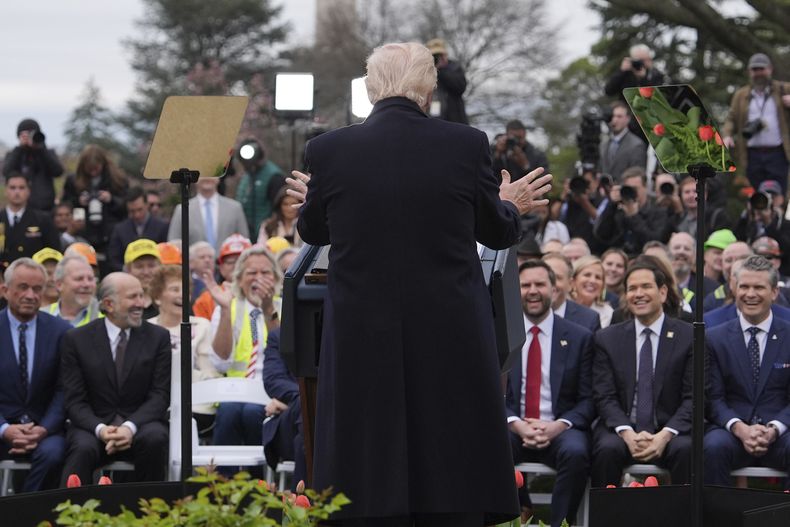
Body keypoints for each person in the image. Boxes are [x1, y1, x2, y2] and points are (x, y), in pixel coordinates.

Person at [288, 41, 552, 526]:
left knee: (366, 456)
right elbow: (497, 231)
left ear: (370, 90)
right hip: (448, 332)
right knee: (449, 451)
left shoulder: (328, 151)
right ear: (429, 90)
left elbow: (313, 232)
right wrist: (510, 201)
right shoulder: (465, 144)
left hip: (362, 336)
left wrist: (315, 199)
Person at [60, 272, 171, 484]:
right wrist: (102, 431)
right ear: (109, 305)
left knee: (155, 439)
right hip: (94, 426)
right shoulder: (76, 340)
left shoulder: (158, 337)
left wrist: (129, 427)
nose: (141, 304)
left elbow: (160, 395)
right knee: (81, 448)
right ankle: (70, 513)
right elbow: (74, 400)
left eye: (141, 295)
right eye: (133, 297)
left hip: (141, 424)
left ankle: (151, 511)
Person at [592, 259, 693, 487]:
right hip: (623, 427)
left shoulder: (688, 337)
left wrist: (664, 435)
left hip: (670, 429)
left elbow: (694, 397)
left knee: (686, 450)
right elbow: (604, 395)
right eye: (632, 289)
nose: (639, 294)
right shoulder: (608, 338)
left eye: (646, 287)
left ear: (663, 292)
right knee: (606, 449)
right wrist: (627, 433)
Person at [507, 260, 593, 527]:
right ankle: (516, 514)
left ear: (554, 290)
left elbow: (589, 399)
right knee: (490, 446)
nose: (533, 291)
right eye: (525, 285)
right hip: (514, 427)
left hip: (560, 429)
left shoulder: (579, 337)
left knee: (578, 453)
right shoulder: (502, 336)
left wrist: (557, 426)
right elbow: (489, 395)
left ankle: (560, 524)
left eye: (540, 284)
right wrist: (517, 424)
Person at [704, 255, 790, 487]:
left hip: (781, 433)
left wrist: (774, 429)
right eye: (744, 286)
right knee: (711, 447)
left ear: (774, 292)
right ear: (735, 289)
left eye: (759, 287)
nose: (750, 294)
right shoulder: (714, 338)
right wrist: (740, 428)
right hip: (731, 431)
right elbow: (713, 397)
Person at [204, 246, 281, 475]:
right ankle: (221, 487)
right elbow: (220, 362)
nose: (259, 278)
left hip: (270, 392)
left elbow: (286, 358)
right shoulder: (229, 305)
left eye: (265, 273)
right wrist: (225, 311)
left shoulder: (284, 304)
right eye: (251, 273)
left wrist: (268, 311)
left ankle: (257, 486)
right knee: (229, 411)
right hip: (235, 391)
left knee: (250, 413)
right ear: (239, 279)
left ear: (276, 277)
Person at [0, 258, 71, 491]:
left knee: (54, 454)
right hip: (2, 425)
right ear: (5, 290)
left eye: (37, 289)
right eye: (23, 287)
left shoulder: (62, 332)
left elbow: (64, 388)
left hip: (45, 429)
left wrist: (43, 429)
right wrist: (4, 428)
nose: (30, 295)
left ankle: (24, 516)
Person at [147, 265, 220, 430]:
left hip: (196, 403)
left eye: (185, 290)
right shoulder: (146, 329)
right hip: (158, 404)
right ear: (157, 297)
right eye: (174, 289)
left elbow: (209, 372)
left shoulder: (202, 325)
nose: (182, 294)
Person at [722, 53, 790, 194]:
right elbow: (731, 118)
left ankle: (778, 215)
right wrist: (727, 135)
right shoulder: (741, 95)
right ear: (749, 72)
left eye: (761, 69)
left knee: (779, 194)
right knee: (757, 196)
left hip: (778, 153)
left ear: (770, 69)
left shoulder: (783, 89)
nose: (758, 73)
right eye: (755, 69)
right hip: (752, 155)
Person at [61, 145, 129, 276]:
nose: (93, 172)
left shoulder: (118, 180)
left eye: (96, 169)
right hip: (83, 233)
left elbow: (127, 206)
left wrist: (111, 199)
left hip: (109, 234)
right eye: (89, 169)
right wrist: (78, 202)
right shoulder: (73, 181)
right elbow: (64, 205)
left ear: (103, 164)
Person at [262, 328, 308, 490]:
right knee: (305, 409)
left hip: (326, 423)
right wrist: (303, 397)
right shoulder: (279, 337)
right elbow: (273, 380)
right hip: (288, 424)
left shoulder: (339, 334)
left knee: (303, 438)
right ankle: (305, 504)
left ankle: (299, 507)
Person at [594, 167, 674, 256]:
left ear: (645, 187)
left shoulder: (659, 212)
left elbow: (654, 242)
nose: (632, 192)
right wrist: (611, 204)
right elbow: (601, 235)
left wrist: (634, 216)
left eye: (635, 189)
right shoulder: (618, 212)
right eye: (628, 188)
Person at [604, 44, 668, 141]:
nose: (641, 63)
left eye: (644, 60)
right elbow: (608, 91)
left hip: (648, 123)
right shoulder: (625, 74)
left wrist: (644, 79)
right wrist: (622, 71)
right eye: (638, 60)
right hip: (627, 123)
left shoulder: (656, 75)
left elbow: (657, 97)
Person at [168, 177, 249, 253]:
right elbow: (173, 244)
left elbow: (245, 241)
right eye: (203, 174)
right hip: (193, 265)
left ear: (219, 177)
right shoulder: (182, 209)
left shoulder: (234, 208)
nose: (207, 177)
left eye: (211, 173)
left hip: (228, 264)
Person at [0, 173, 61, 271]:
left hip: (33, 275)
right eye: (12, 188)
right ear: (5, 191)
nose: (17, 192)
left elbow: (54, 253)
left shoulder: (42, 220)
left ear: (29, 191)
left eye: (21, 188)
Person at [2, 118, 63, 212]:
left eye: (32, 134)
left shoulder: (46, 153)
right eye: (26, 135)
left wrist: (41, 148)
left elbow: (58, 171)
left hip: (46, 208)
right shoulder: (15, 154)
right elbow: (6, 172)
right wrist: (20, 148)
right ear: (19, 136)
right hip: (21, 208)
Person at [107, 188, 170, 273]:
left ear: (147, 205)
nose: (137, 215)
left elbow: (166, 255)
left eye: (140, 209)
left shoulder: (162, 227)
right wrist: (127, 270)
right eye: (132, 211)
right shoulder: (120, 229)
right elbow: (113, 259)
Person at [192, 234, 251, 321]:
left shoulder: (264, 295)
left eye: (241, 261)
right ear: (221, 268)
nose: (236, 266)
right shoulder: (206, 300)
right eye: (231, 262)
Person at [236, 139, 286, 235]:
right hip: (246, 234)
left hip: (266, 234)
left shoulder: (274, 176)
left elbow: (280, 209)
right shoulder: (247, 176)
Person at [542, 252, 601, 333]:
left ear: (570, 284)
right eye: (545, 277)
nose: (550, 284)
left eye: (557, 278)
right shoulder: (521, 316)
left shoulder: (589, 319)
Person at [41, 254, 101, 328]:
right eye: (79, 279)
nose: (86, 284)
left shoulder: (105, 320)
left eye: (90, 279)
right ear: (59, 284)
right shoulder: (41, 316)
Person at [599, 101, 647, 183]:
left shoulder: (637, 145)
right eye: (612, 116)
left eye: (619, 116)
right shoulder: (603, 145)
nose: (615, 120)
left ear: (628, 118)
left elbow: (638, 176)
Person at [668, 232, 718, 306]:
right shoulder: (657, 284)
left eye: (687, 249)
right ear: (667, 253)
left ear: (695, 256)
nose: (681, 252)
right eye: (677, 247)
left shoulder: (711, 288)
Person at [425, 38, 468, 124]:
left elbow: (460, 88)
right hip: (432, 119)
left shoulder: (455, 68)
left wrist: (441, 70)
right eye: (433, 56)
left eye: (439, 55)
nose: (436, 58)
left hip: (454, 119)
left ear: (445, 55)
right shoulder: (425, 70)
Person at [703, 241, 753, 312]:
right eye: (728, 260)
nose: (734, 265)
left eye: (742, 259)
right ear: (722, 266)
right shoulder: (711, 301)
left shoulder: (769, 295)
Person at [570, 255, 613, 328]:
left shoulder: (607, 312)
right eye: (587, 275)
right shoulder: (562, 307)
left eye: (598, 277)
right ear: (573, 281)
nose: (593, 281)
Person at [123, 239, 162, 319]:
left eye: (151, 265)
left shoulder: (170, 301)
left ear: (160, 267)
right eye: (139, 266)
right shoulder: (120, 303)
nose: (146, 272)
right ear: (128, 270)